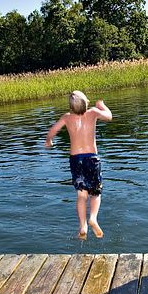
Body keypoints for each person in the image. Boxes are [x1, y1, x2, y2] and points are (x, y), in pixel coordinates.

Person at [45, 91, 112, 240]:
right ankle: (93, 218)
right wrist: (102, 106)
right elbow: (109, 117)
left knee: (81, 195)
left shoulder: (67, 117)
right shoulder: (93, 113)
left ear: (70, 107)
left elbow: (53, 130)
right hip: (91, 159)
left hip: (76, 160)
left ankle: (83, 226)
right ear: (86, 102)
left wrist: (48, 141)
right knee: (95, 193)